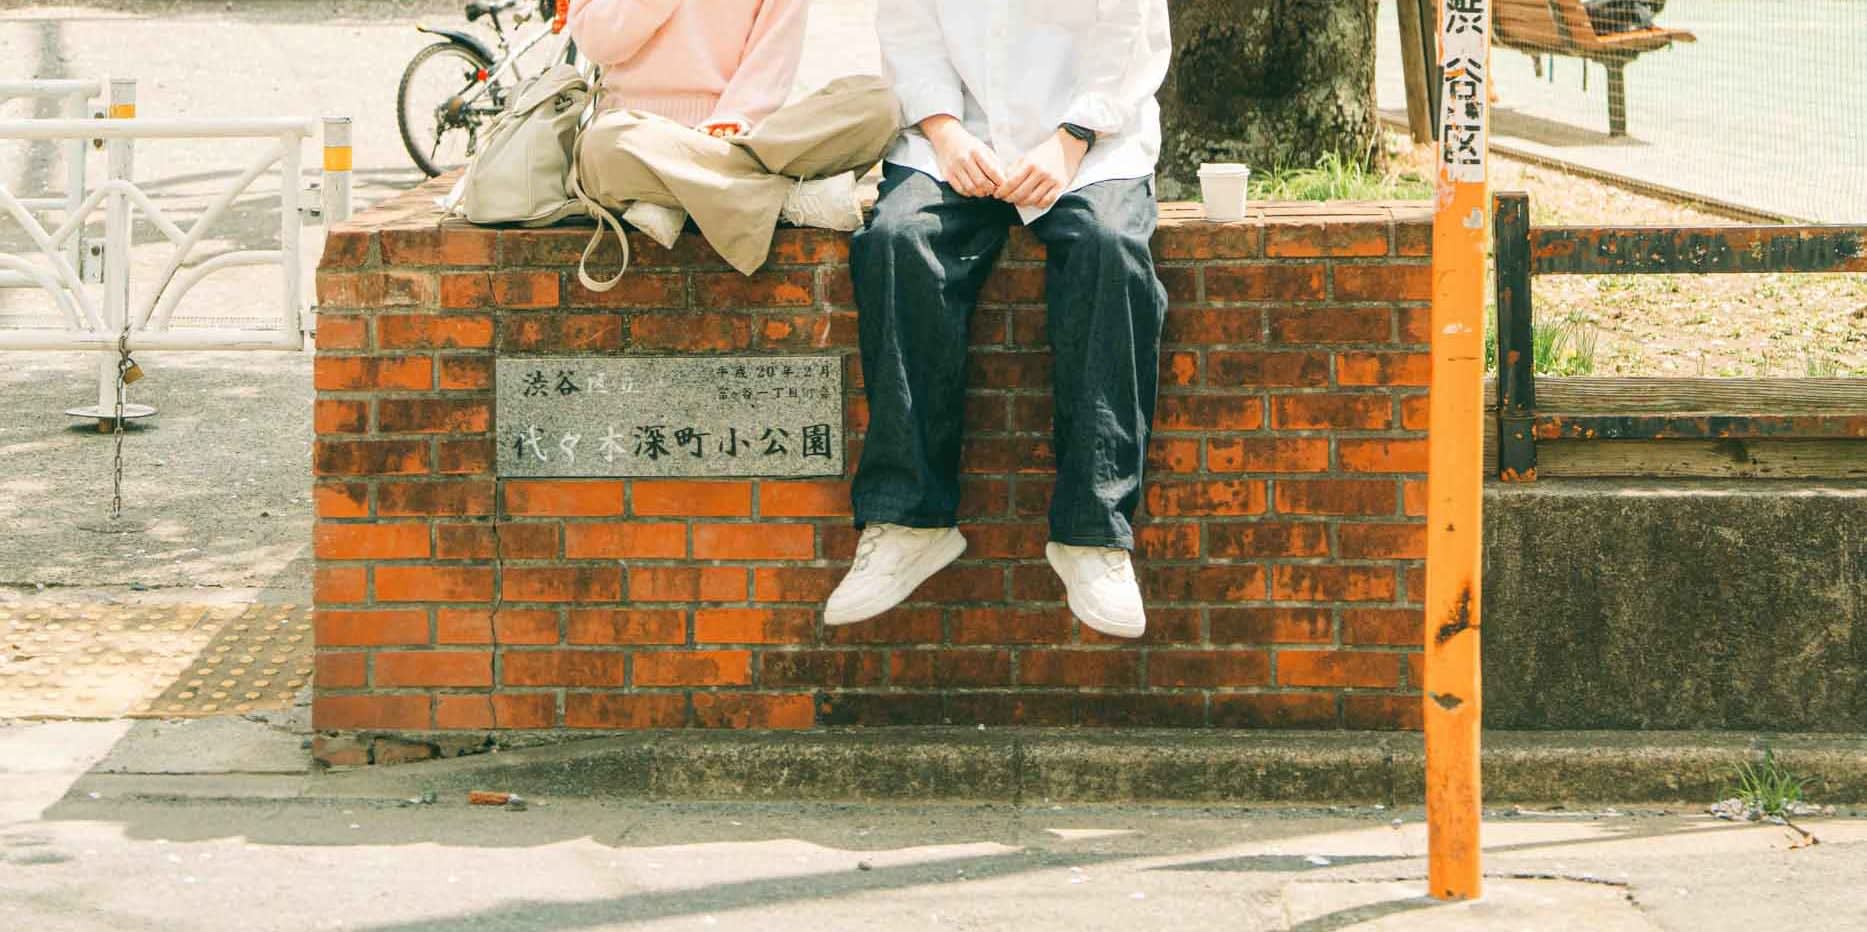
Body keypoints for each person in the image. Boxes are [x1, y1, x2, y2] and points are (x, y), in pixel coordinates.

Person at [824, 0, 1173, 639]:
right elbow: (908, 24)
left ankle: (1093, 533)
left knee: (1110, 249)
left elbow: (1128, 29)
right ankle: (907, 521)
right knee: (898, 242)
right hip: (952, 142)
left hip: (1092, 145)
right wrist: (945, 131)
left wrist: (1072, 138)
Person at [568, 0, 902, 275]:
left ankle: (677, 194)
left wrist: (734, 117)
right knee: (603, 145)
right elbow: (596, 42)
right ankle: (788, 200)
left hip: (734, 138)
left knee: (877, 105)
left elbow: (772, 58)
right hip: (639, 137)